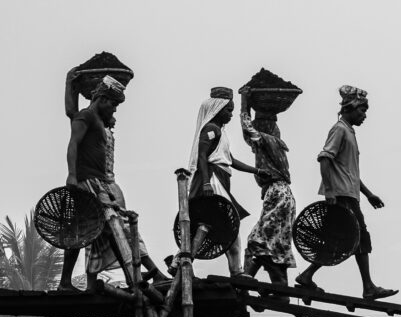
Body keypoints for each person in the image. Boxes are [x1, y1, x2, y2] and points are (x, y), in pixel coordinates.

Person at [60, 74, 165, 291]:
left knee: (102, 229)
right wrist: (72, 176)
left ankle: (131, 277)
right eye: (114, 104)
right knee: (97, 228)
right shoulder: (86, 117)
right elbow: (73, 145)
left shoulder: (98, 120)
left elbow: (76, 114)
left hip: (98, 183)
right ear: (103, 99)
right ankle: (132, 277)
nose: (115, 110)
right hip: (87, 182)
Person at [295, 86, 396, 299]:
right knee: (357, 237)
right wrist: (330, 191)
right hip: (341, 196)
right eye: (362, 111)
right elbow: (324, 158)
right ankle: (368, 286)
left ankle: (307, 276)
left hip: (350, 194)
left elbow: (350, 171)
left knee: (342, 240)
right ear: (350, 109)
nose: (365, 116)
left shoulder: (349, 131)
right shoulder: (340, 129)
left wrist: (369, 194)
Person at [188, 87, 257, 276]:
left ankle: (236, 269)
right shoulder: (210, 129)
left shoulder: (220, 132)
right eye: (228, 110)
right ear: (217, 110)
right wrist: (206, 183)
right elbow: (202, 156)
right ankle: (185, 261)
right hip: (213, 178)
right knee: (224, 222)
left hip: (222, 178)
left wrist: (257, 170)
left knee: (229, 224)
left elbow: (231, 160)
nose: (231, 115)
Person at [237, 90, 296, 286]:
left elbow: (247, 128)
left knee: (258, 240)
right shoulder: (276, 143)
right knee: (278, 242)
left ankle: (254, 279)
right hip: (283, 194)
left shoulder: (267, 140)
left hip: (278, 193)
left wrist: (244, 102)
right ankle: (280, 288)